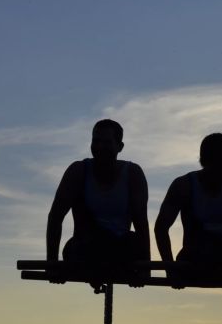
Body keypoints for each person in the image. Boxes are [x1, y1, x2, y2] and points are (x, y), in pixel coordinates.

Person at [46, 119, 150, 285]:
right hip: (87, 247)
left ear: (120, 147)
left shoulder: (133, 174)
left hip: (120, 248)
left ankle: (105, 267)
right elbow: (55, 217)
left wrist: (146, 267)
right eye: (96, 141)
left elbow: (141, 223)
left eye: (107, 142)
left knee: (133, 243)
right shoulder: (78, 171)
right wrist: (51, 263)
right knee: (76, 249)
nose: (100, 147)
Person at [154, 133, 222, 290]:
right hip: (195, 258)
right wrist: (171, 270)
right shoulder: (183, 186)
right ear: (211, 159)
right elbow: (161, 228)